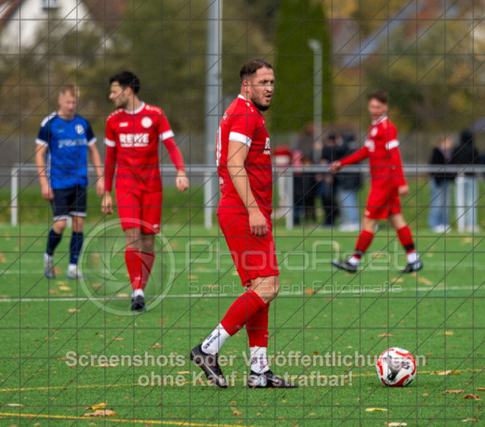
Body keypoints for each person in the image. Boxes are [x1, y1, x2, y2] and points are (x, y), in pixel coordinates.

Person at [189, 59, 296, 389]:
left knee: (261, 288)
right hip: (242, 211)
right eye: (263, 82)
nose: (269, 88)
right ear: (246, 85)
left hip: (245, 210)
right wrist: (253, 210)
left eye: (272, 82)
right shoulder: (245, 114)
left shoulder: (245, 113)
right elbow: (234, 164)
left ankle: (259, 371)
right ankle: (208, 348)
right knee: (268, 287)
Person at [101, 71, 189, 312]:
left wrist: (181, 171)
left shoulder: (155, 114)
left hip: (152, 188)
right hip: (125, 186)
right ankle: (137, 290)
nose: (111, 96)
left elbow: (171, 145)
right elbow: (110, 159)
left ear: (128, 90)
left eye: (114, 91)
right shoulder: (112, 121)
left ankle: (140, 287)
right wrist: (107, 192)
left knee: (148, 242)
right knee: (132, 237)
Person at [329, 91, 422, 273]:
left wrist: (401, 182)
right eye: (372, 106)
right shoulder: (375, 127)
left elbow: (395, 155)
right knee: (397, 219)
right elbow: (366, 151)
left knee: (368, 222)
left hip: (384, 183)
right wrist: (342, 163)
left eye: (378, 107)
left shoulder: (387, 128)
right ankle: (414, 259)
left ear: (385, 107)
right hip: (383, 182)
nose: (374, 110)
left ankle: (353, 262)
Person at [35, 84, 104, 280]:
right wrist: (44, 183)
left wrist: (101, 178)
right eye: (68, 102)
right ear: (60, 101)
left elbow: (94, 151)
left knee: (78, 223)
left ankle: (73, 267)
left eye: (74, 102)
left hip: (79, 182)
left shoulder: (83, 124)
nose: (71, 106)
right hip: (57, 183)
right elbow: (39, 154)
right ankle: (48, 256)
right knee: (60, 224)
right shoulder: (49, 124)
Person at [451, 129, 480, 232]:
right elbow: (478, 162)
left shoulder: (456, 149)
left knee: (459, 201)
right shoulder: (474, 149)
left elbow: (452, 162)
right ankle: (471, 224)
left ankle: (461, 224)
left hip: (459, 177)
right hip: (471, 177)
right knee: (471, 201)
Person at [428, 136, 455, 232]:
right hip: (438, 182)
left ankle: (444, 223)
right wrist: (438, 179)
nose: (451, 143)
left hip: (446, 181)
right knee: (437, 202)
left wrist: (453, 178)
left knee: (446, 203)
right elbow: (434, 167)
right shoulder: (437, 152)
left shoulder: (449, 153)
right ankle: (434, 224)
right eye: (449, 141)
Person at [337, 134, 363, 232]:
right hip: (353, 180)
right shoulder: (355, 149)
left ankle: (353, 221)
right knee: (350, 200)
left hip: (349, 181)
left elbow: (339, 149)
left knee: (349, 201)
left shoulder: (347, 148)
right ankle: (350, 221)